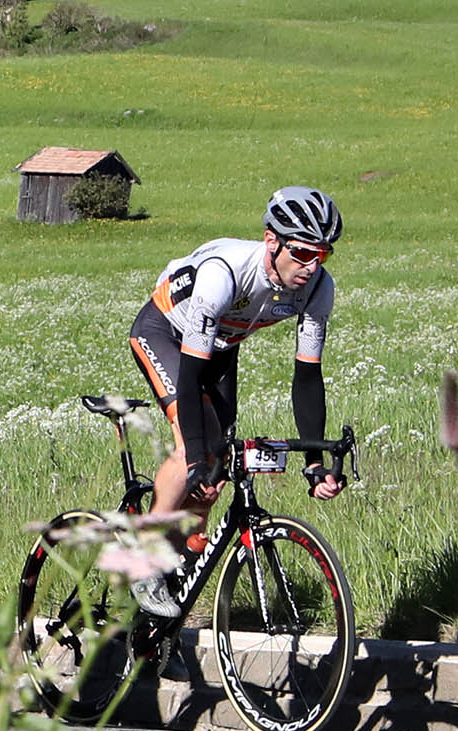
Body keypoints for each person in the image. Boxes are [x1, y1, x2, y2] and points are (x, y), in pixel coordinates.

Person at [125, 188, 346, 612]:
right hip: (165, 332)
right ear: (271, 241)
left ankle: (158, 625)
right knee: (196, 447)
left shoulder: (318, 287)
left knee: (216, 472)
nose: (310, 266)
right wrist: (193, 459)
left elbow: (307, 376)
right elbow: (190, 377)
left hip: (222, 346)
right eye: (301, 253)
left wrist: (315, 462)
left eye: (322, 254)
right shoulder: (223, 274)